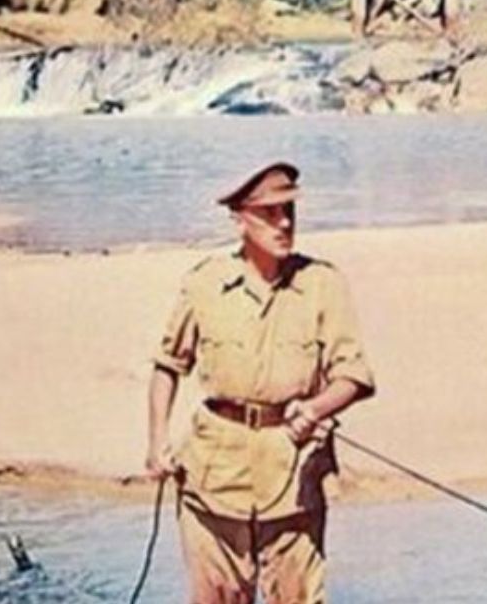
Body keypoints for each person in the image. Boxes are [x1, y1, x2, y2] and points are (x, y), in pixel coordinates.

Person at [146, 161, 374, 604]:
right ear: (239, 218)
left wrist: (317, 408)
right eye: (269, 213)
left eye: (289, 211)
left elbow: (354, 375)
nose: (284, 223)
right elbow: (167, 365)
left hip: (294, 479)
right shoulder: (205, 284)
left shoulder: (323, 284)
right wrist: (156, 442)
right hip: (214, 482)